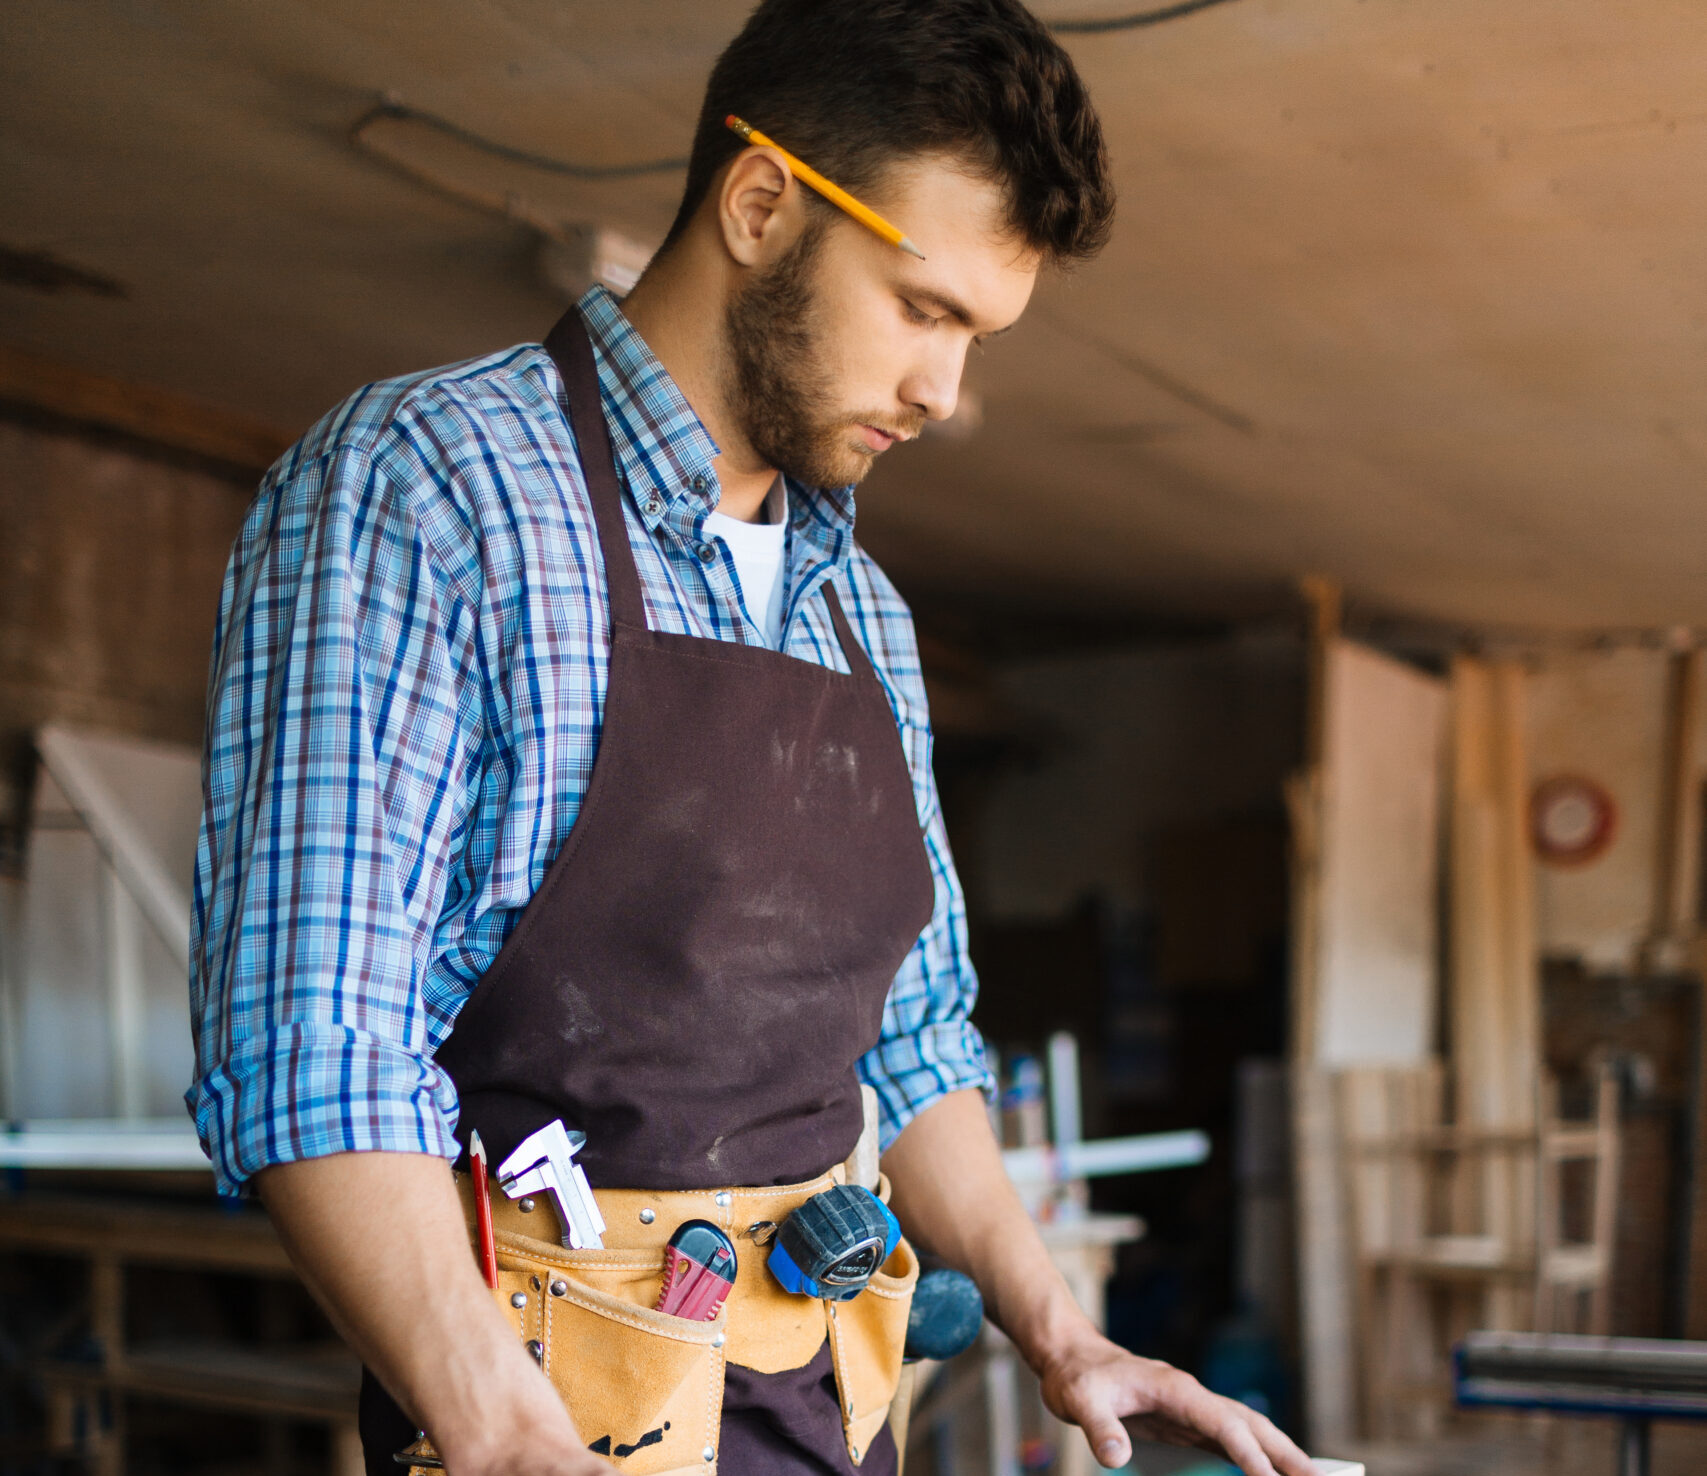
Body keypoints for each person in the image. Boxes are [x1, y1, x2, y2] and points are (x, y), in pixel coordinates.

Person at [188, 3, 1314, 1474]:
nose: (944, 392)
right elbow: (310, 1037)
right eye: (923, 307)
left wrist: (1061, 1328)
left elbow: (911, 1039)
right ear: (763, 202)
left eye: (977, 336)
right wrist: (493, 1422)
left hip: (825, 1404)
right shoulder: (431, 490)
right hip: (541, 1416)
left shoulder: (868, 620)